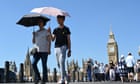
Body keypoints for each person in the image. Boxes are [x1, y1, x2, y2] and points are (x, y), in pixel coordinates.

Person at [49, 15, 71, 84]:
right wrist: (49, 33)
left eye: (59, 19)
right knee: (59, 63)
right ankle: (65, 76)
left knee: (62, 61)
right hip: (56, 47)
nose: (58, 20)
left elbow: (69, 39)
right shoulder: (55, 29)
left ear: (63, 19)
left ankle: (62, 79)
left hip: (64, 47)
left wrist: (70, 50)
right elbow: (52, 39)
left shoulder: (66, 29)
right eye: (57, 19)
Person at [32, 19, 51, 84]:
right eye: (38, 22)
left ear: (43, 23)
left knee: (44, 65)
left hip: (44, 50)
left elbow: (49, 40)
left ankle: (44, 80)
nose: (39, 23)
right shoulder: (36, 32)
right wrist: (33, 35)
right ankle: (38, 78)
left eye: (41, 22)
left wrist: (49, 49)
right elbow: (33, 42)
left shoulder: (46, 31)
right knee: (33, 63)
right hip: (37, 50)